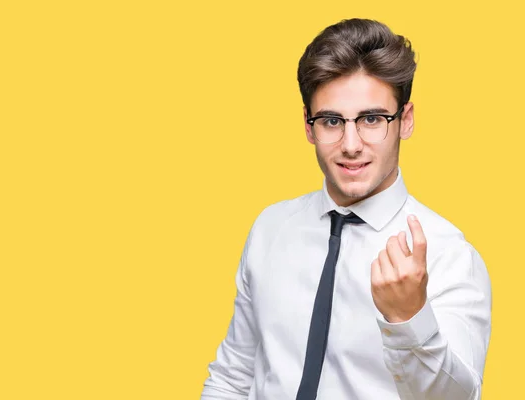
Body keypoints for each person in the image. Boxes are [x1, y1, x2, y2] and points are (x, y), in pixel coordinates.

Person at [199, 18, 492, 400]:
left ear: (405, 120)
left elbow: (457, 398)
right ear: (308, 126)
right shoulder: (270, 229)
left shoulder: (449, 255)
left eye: (372, 119)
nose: (350, 144)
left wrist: (409, 319)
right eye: (332, 121)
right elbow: (233, 378)